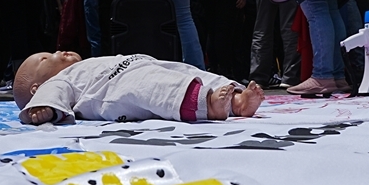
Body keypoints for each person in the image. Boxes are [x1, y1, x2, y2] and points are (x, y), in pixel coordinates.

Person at [14, 51, 264, 124]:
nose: (58, 51)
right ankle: (208, 105)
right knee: (158, 88)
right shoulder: (61, 80)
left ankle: (237, 101)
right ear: (38, 88)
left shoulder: (87, 63)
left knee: (189, 73)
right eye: (45, 59)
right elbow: (53, 91)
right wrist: (44, 106)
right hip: (114, 87)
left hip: (136, 63)